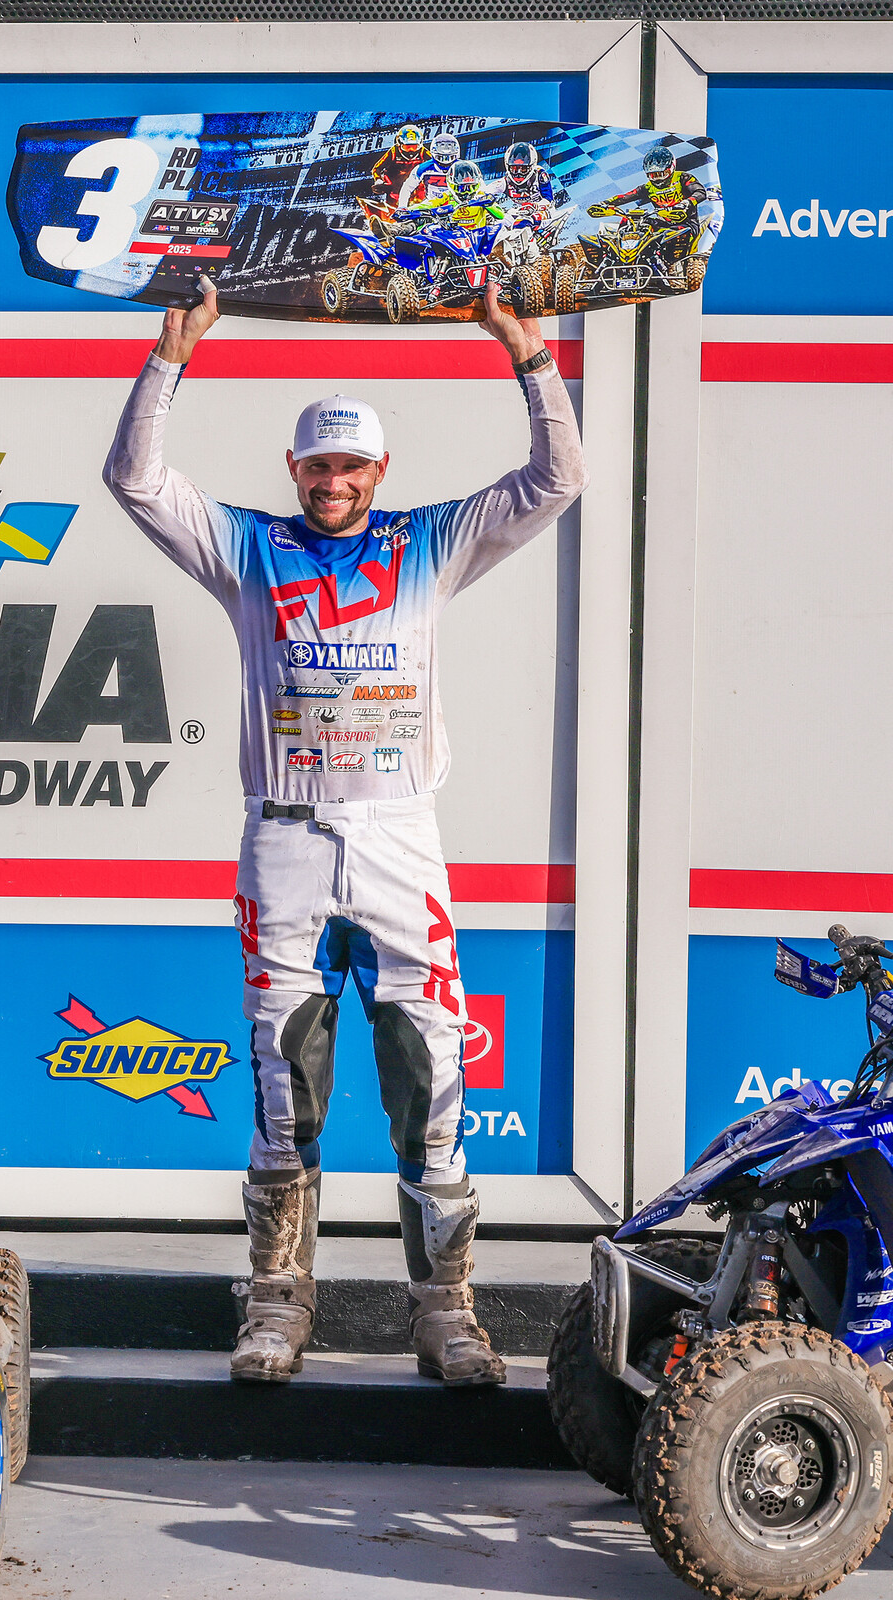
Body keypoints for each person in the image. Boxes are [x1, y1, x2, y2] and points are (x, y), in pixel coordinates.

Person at [102, 275, 584, 1389]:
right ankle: (276, 1307)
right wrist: (173, 355)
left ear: (378, 472)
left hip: (397, 833)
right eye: (317, 466)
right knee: (285, 1074)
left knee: (430, 1075)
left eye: (350, 465)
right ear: (295, 472)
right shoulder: (248, 547)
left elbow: (562, 476)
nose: (332, 482)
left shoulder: (432, 539)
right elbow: (134, 478)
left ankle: (446, 1314)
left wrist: (525, 350)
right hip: (282, 836)